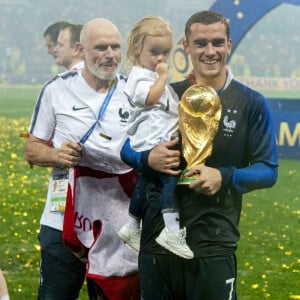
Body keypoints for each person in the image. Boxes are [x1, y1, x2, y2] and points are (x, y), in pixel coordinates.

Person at [121, 10, 278, 299]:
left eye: (218, 42)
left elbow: (268, 170)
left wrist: (224, 176)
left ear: (229, 45)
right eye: (201, 43)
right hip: (158, 242)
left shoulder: (251, 103)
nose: (210, 51)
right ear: (186, 46)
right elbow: (125, 147)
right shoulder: (166, 95)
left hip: (214, 244)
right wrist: (147, 159)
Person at [24, 18, 139, 300]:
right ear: (81, 49)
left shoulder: (134, 94)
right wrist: (55, 154)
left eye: (115, 46)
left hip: (117, 226)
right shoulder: (56, 90)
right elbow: (32, 148)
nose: (110, 54)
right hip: (61, 219)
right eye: (101, 47)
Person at [117, 16, 193, 259]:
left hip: (157, 138)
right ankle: (172, 231)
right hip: (153, 142)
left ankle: (132, 226)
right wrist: (162, 77)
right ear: (137, 49)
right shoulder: (140, 77)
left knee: (146, 181)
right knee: (170, 179)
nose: (161, 58)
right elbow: (150, 98)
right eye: (154, 52)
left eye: (165, 52)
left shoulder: (149, 75)